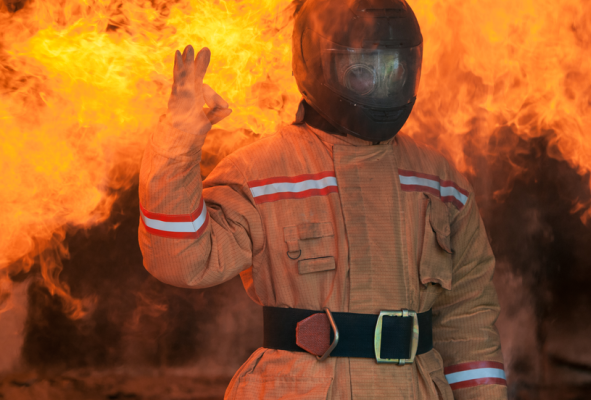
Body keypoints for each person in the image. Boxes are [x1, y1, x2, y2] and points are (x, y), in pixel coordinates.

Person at [137, 0, 506, 398]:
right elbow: (180, 260)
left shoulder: (440, 183)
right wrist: (178, 140)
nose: (383, 84)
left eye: (395, 68)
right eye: (362, 70)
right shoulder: (260, 172)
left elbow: (469, 323)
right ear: (317, 63)